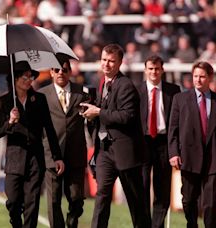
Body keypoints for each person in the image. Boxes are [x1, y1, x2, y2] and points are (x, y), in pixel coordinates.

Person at [81, 43, 151, 228]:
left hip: (125, 153)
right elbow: (101, 113)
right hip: (105, 151)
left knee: (135, 201)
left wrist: (98, 112)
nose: (107, 64)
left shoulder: (126, 85)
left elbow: (127, 116)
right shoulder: (102, 82)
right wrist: (90, 114)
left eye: (111, 61)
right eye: (104, 60)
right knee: (102, 195)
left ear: (120, 63)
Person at [0, 61, 65, 228]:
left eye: (30, 76)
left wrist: (57, 156)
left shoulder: (39, 99)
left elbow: (49, 128)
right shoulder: (5, 101)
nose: (28, 80)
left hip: (35, 158)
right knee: (12, 201)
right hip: (14, 158)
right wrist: (10, 122)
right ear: (15, 79)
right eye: (24, 76)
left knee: (32, 203)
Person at [38, 59, 86, 228]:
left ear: (70, 71)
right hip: (51, 154)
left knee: (76, 198)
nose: (60, 72)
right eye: (56, 69)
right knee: (53, 200)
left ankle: (71, 223)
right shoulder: (41, 94)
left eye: (64, 69)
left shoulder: (82, 93)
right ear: (51, 72)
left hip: (76, 155)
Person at [168, 61, 216, 228]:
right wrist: (173, 153)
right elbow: (173, 130)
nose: (198, 80)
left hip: (213, 160)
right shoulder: (180, 99)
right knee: (188, 200)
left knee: (211, 203)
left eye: (202, 76)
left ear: (210, 78)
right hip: (188, 157)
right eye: (195, 76)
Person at [138, 55, 180, 228]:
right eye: (150, 68)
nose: (153, 72)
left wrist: (176, 149)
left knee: (162, 190)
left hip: (164, 143)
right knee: (142, 187)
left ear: (162, 70)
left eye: (157, 69)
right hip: (143, 144)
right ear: (145, 70)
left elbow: (177, 122)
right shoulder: (136, 90)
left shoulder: (174, 90)